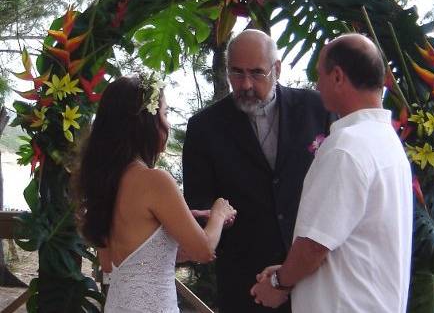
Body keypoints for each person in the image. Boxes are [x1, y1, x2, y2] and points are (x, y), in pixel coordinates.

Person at [251, 33, 413, 312]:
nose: (317, 84)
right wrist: (290, 269)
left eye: (320, 74)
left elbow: (314, 247)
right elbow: (345, 240)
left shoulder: (347, 146)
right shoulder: (386, 141)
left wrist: (278, 283)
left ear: (337, 76)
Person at [182, 29, 332, 313]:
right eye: (236, 73)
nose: (246, 84)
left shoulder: (316, 109)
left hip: (314, 277)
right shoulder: (204, 128)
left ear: (276, 68)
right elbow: (199, 207)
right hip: (245, 285)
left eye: (257, 73)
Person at [74, 75, 236, 313]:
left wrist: (174, 227)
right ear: (147, 122)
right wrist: (219, 213)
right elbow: (204, 250)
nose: (168, 124)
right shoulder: (154, 181)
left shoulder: (105, 181)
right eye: (165, 114)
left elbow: (110, 263)